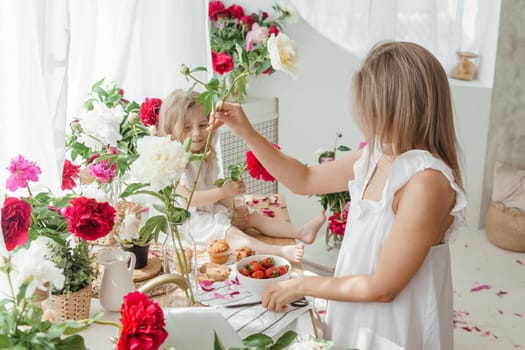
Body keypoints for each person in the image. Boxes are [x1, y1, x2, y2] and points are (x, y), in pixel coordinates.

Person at [212, 41, 467, 350]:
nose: (364, 116)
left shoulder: (426, 181)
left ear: (395, 108)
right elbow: (304, 179)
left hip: (393, 325)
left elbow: (383, 287)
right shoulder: (379, 155)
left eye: (369, 105)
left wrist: (302, 285)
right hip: (356, 309)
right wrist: (248, 134)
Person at [157, 89, 325, 263]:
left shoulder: (206, 155)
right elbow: (190, 200)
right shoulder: (171, 164)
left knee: (250, 215)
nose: (197, 134)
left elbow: (211, 191)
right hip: (191, 222)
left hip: (209, 209)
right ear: (171, 130)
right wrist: (224, 192)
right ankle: (281, 251)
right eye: (187, 127)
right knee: (232, 234)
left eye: (202, 125)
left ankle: (301, 231)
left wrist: (234, 205)